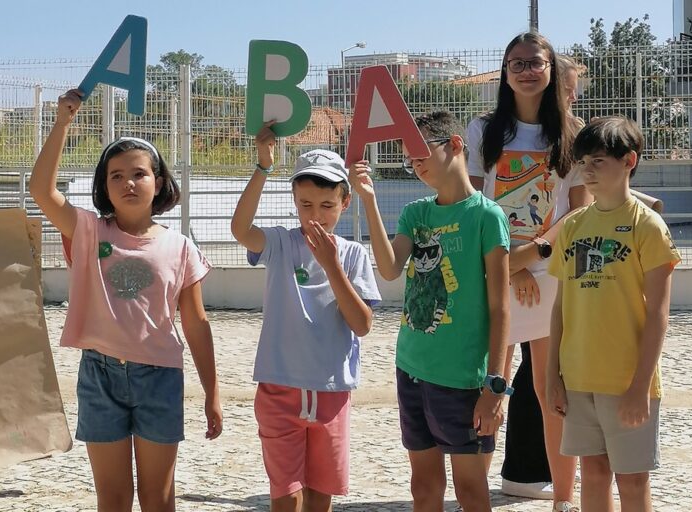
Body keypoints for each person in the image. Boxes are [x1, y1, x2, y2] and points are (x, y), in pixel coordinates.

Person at [29, 89, 223, 512]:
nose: (128, 182)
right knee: (113, 499)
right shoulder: (87, 231)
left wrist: (212, 392)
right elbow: (41, 190)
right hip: (99, 377)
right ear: (103, 187)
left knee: (158, 499)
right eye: (115, 175)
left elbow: (195, 323)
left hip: (160, 379)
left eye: (139, 173)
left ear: (159, 182)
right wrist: (62, 122)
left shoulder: (182, 247)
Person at [350, 111, 510, 512]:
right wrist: (368, 201)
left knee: (471, 491)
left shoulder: (486, 216)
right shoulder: (416, 213)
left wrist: (495, 387)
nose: (417, 165)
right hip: (412, 370)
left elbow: (501, 307)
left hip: (464, 380)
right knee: (423, 487)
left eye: (422, 153)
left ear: (455, 145)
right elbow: (388, 270)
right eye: (410, 159)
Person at [466, 33, 592, 511]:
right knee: (486, 385)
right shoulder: (483, 130)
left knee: (550, 390)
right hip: (495, 271)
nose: (525, 70)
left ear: (550, 68)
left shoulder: (574, 134)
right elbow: (475, 204)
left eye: (534, 62)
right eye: (515, 63)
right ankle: (474, 495)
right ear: (504, 71)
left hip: (548, 271)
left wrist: (531, 255)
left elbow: (576, 213)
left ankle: (563, 498)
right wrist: (508, 262)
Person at [230, 122, 381, 512]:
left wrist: (332, 266)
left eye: (327, 206)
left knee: (319, 496)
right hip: (279, 389)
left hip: (331, 393)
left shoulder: (352, 255)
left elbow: (362, 324)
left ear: (345, 203)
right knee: (286, 495)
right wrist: (263, 167)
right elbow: (240, 229)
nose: (316, 215)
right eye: (306, 205)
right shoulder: (281, 242)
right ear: (294, 201)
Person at [547, 116, 680, 512]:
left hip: (626, 382)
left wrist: (640, 386)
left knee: (633, 482)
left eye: (599, 160)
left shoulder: (648, 226)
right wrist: (553, 375)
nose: (587, 170)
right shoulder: (572, 227)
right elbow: (559, 308)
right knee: (593, 473)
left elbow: (657, 313)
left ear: (629, 161)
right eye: (583, 161)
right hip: (578, 378)